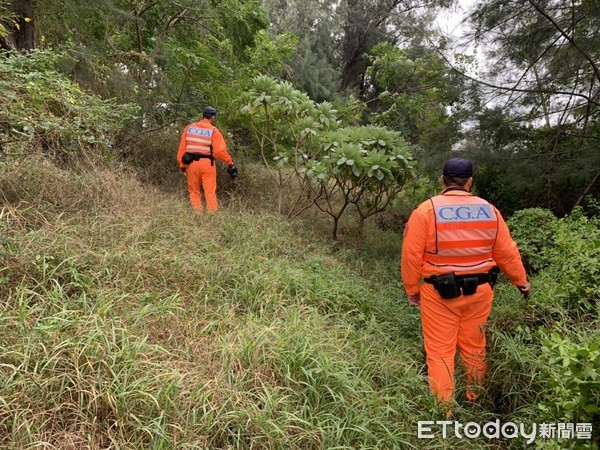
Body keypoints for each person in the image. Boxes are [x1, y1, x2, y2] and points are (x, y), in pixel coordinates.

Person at [401, 157, 530, 410]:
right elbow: (507, 252)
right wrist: (521, 282)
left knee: (439, 350)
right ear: (470, 182)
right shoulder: (490, 210)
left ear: (442, 181)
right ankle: (475, 400)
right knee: (474, 346)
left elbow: (411, 255)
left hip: (438, 294)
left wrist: (412, 290)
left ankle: (443, 410)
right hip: (480, 292)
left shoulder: (426, 211)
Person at [177, 106, 238, 213]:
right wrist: (230, 162)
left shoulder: (189, 128)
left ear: (203, 115)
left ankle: (198, 214)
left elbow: (182, 149)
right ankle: (212, 215)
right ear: (213, 117)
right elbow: (220, 151)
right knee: (210, 191)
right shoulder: (214, 131)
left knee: (194, 190)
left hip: (191, 164)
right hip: (207, 164)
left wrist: (182, 165)